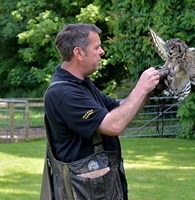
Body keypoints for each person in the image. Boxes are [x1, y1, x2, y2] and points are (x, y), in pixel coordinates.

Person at [43, 23, 165, 199]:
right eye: (97, 47)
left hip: (100, 189)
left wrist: (150, 90)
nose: (102, 52)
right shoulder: (63, 93)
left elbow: (118, 108)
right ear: (78, 53)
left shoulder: (82, 84)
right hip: (83, 193)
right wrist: (140, 87)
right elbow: (113, 125)